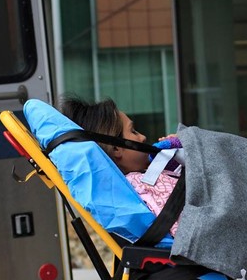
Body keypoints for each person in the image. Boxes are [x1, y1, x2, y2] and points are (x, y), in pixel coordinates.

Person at [59, 96, 182, 236]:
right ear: (116, 148)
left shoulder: (137, 184)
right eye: (133, 131)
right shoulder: (143, 186)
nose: (143, 137)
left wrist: (176, 160)